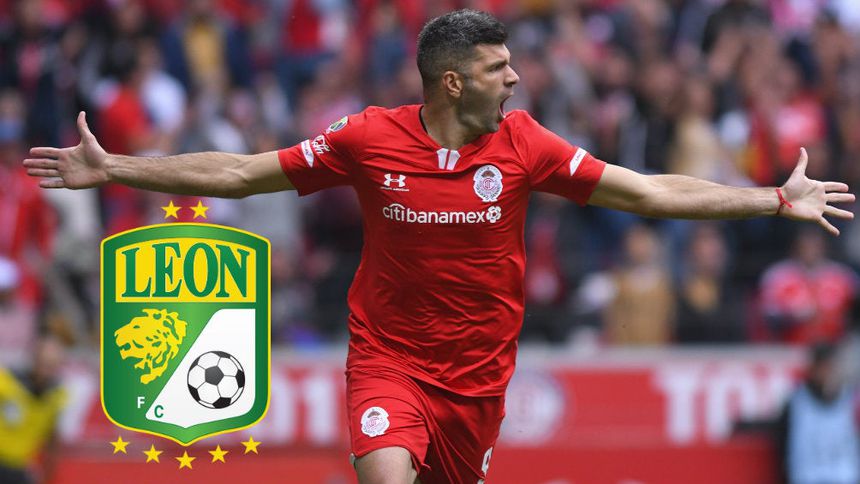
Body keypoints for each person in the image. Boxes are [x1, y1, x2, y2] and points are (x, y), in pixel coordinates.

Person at [22, 9, 855, 484]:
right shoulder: (367, 138)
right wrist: (118, 167)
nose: (516, 79)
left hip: (478, 380)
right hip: (388, 361)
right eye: (499, 69)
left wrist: (772, 198)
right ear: (453, 82)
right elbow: (241, 173)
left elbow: (647, 191)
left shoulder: (526, 145)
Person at [775, 342, 860, 484]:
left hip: (845, 477)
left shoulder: (852, 401)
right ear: (812, 369)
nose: (826, 372)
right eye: (822, 367)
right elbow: (784, 447)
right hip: (807, 477)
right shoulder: (796, 402)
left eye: (830, 367)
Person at [0, 335, 67, 484]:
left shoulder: (55, 397)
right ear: (34, 360)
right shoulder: (6, 382)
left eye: (52, 366)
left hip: (21, 466)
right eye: (43, 364)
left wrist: (48, 471)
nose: (46, 371)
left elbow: (52, 437)